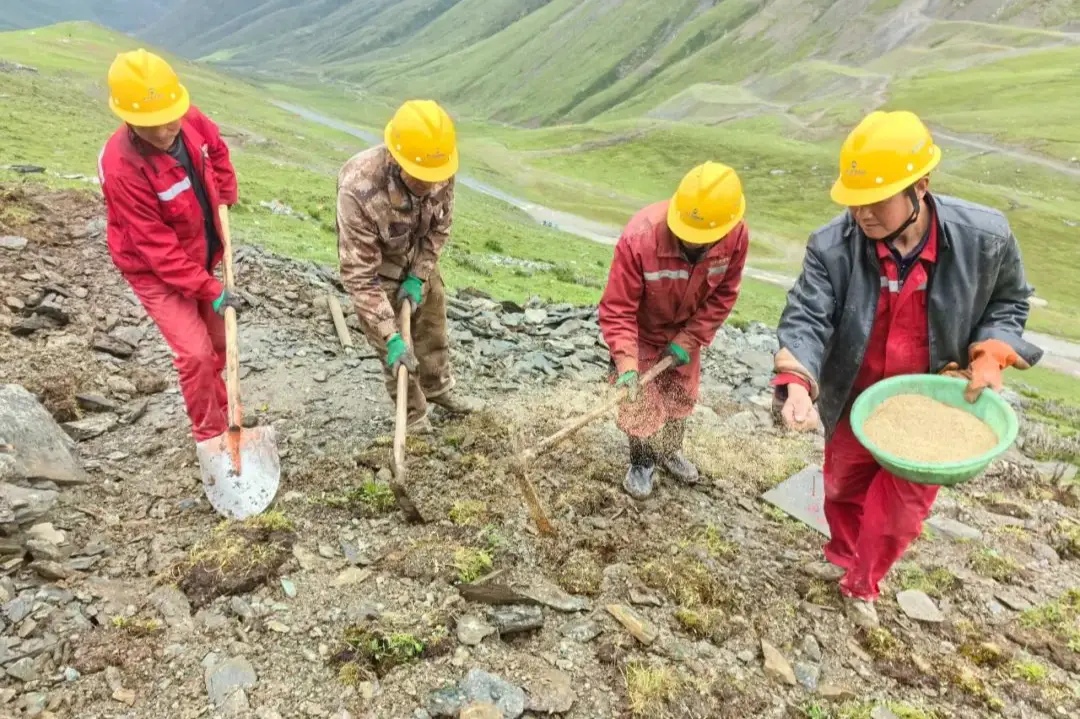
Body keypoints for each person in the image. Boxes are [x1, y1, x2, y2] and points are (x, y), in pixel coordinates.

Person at [772, 110, 1042, 627]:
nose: (862, 214)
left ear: (920, 187)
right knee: (842, 487)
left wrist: (990, 353)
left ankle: (862, 584)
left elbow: (1009, 304)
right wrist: (798, 382)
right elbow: (806, 314)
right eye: (854, 202)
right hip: (856, 393)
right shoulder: (831, 246)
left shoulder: (985, 238)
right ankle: (843, 555)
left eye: (876, 201)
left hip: (931, 400)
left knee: (898, 513)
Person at [98, 49, 243, 443]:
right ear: (128, 119)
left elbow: (218, 152)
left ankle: (230, 413)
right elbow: (158, 251)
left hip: (199, 255)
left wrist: (226, 192)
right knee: (195, 354)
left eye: (170, 119)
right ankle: (211, 436)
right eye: (153, 126)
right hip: (153, 271)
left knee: (219, 342)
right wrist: (212, 289)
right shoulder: (121, 168)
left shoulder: (188, 117)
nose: (167, 131)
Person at [599, 162, 749, 499]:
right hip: (640, 332)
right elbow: (617, 307)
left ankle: (669, 451)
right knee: (638, 399)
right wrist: (625, 362)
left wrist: (690, 339)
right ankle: (641, 462)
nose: (691, 244)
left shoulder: (736, 235)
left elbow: (725, 294)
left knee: (681, 395)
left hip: (687, 332)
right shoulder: (640, 238)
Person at [337, 99, 482, 433]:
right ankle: (413, 413)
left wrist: (419, 275)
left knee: (432, 321)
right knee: (397, 352)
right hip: (378, 269)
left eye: (437, 178)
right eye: (421, 178)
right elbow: (359, 277)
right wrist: (390, 337)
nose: (432, 186)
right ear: (396, 158)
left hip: (416, 255)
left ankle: (438, 388)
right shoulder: (358, 188)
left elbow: (439, 229)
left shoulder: (439, 165)